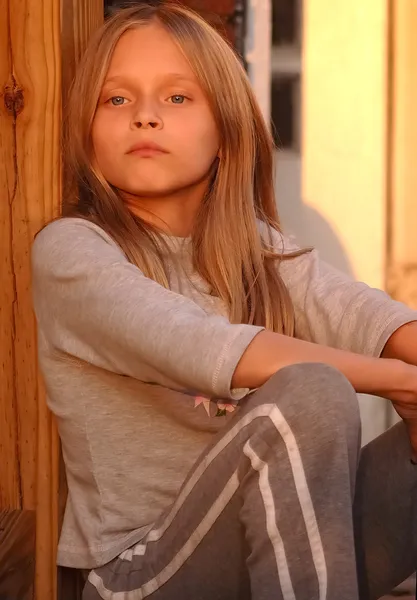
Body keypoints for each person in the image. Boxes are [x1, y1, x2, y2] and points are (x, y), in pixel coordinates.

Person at [31, 3, 417, 599]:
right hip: (141, 573)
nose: (145, 118)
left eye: (177, 98)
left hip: (267, 552)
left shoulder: (252, 248)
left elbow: (365, 314)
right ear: (87, 127)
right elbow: (200, 345)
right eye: (117, 100)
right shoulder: (74, 251)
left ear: (227, 130)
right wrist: (397, 380)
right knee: (312, 393)